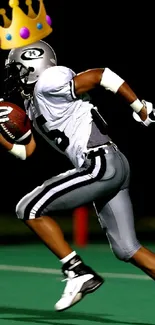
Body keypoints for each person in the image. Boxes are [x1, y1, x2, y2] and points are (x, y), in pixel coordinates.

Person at [1, 40, 155, 312]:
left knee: (28, 208)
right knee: (127, 249)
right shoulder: (35, 101)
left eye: (18, 70)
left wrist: (139, 107)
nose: (14, 76)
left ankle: (77, 271)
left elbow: (101, 75)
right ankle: (78, 271)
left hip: (99, 163)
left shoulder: (49, 80)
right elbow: (27, 152)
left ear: (33, 65)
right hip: (111, 164)